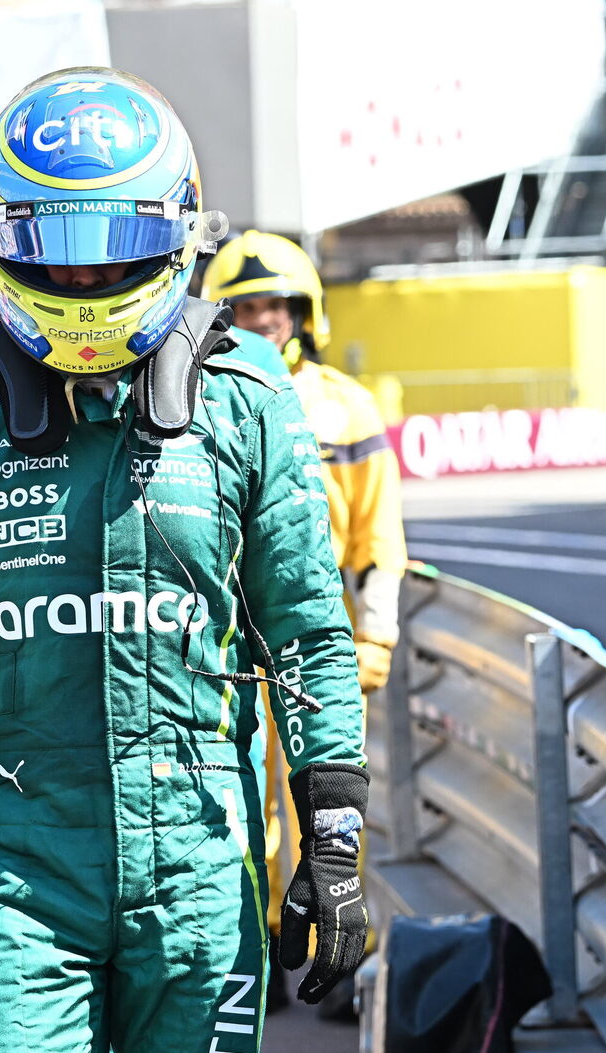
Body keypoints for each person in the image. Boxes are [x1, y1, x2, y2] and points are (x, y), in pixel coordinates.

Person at [0, 69, 369, 1053]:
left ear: (174, 235)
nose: (85, 278)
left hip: (202, 869)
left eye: (113, 247)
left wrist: (332, 840)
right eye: (56, 250)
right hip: (22, 869)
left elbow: (307, 630)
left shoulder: (249, 405)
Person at [202, 229, 406, 1011]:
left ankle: (342, 954)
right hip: (225, 642)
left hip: (316, 642)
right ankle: (254, 954)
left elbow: (378, 539)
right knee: (237, 802)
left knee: (330, 805)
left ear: (303, 311)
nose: (262, 320)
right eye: (245, 307)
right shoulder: (196, 396)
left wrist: (374, 635)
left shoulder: (347, 407)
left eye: (275, 306)